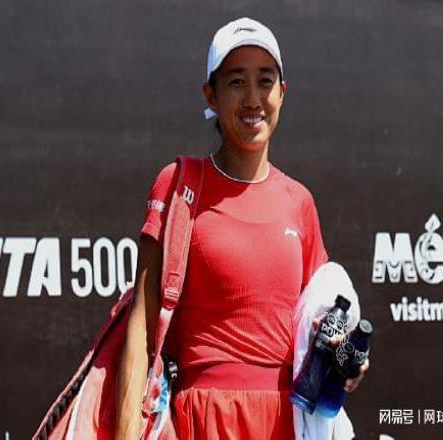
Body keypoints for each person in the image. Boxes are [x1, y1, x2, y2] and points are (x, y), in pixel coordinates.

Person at [115, 17, 367, 440]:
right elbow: (140, 327)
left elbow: (320, 325)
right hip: (203, 418)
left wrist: (346, 360)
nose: (253, 99)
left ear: (282, 93)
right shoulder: (177, 184)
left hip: (288, 422)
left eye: (265, 81)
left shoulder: (299, 201)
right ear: (210, 95)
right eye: (236, 82)